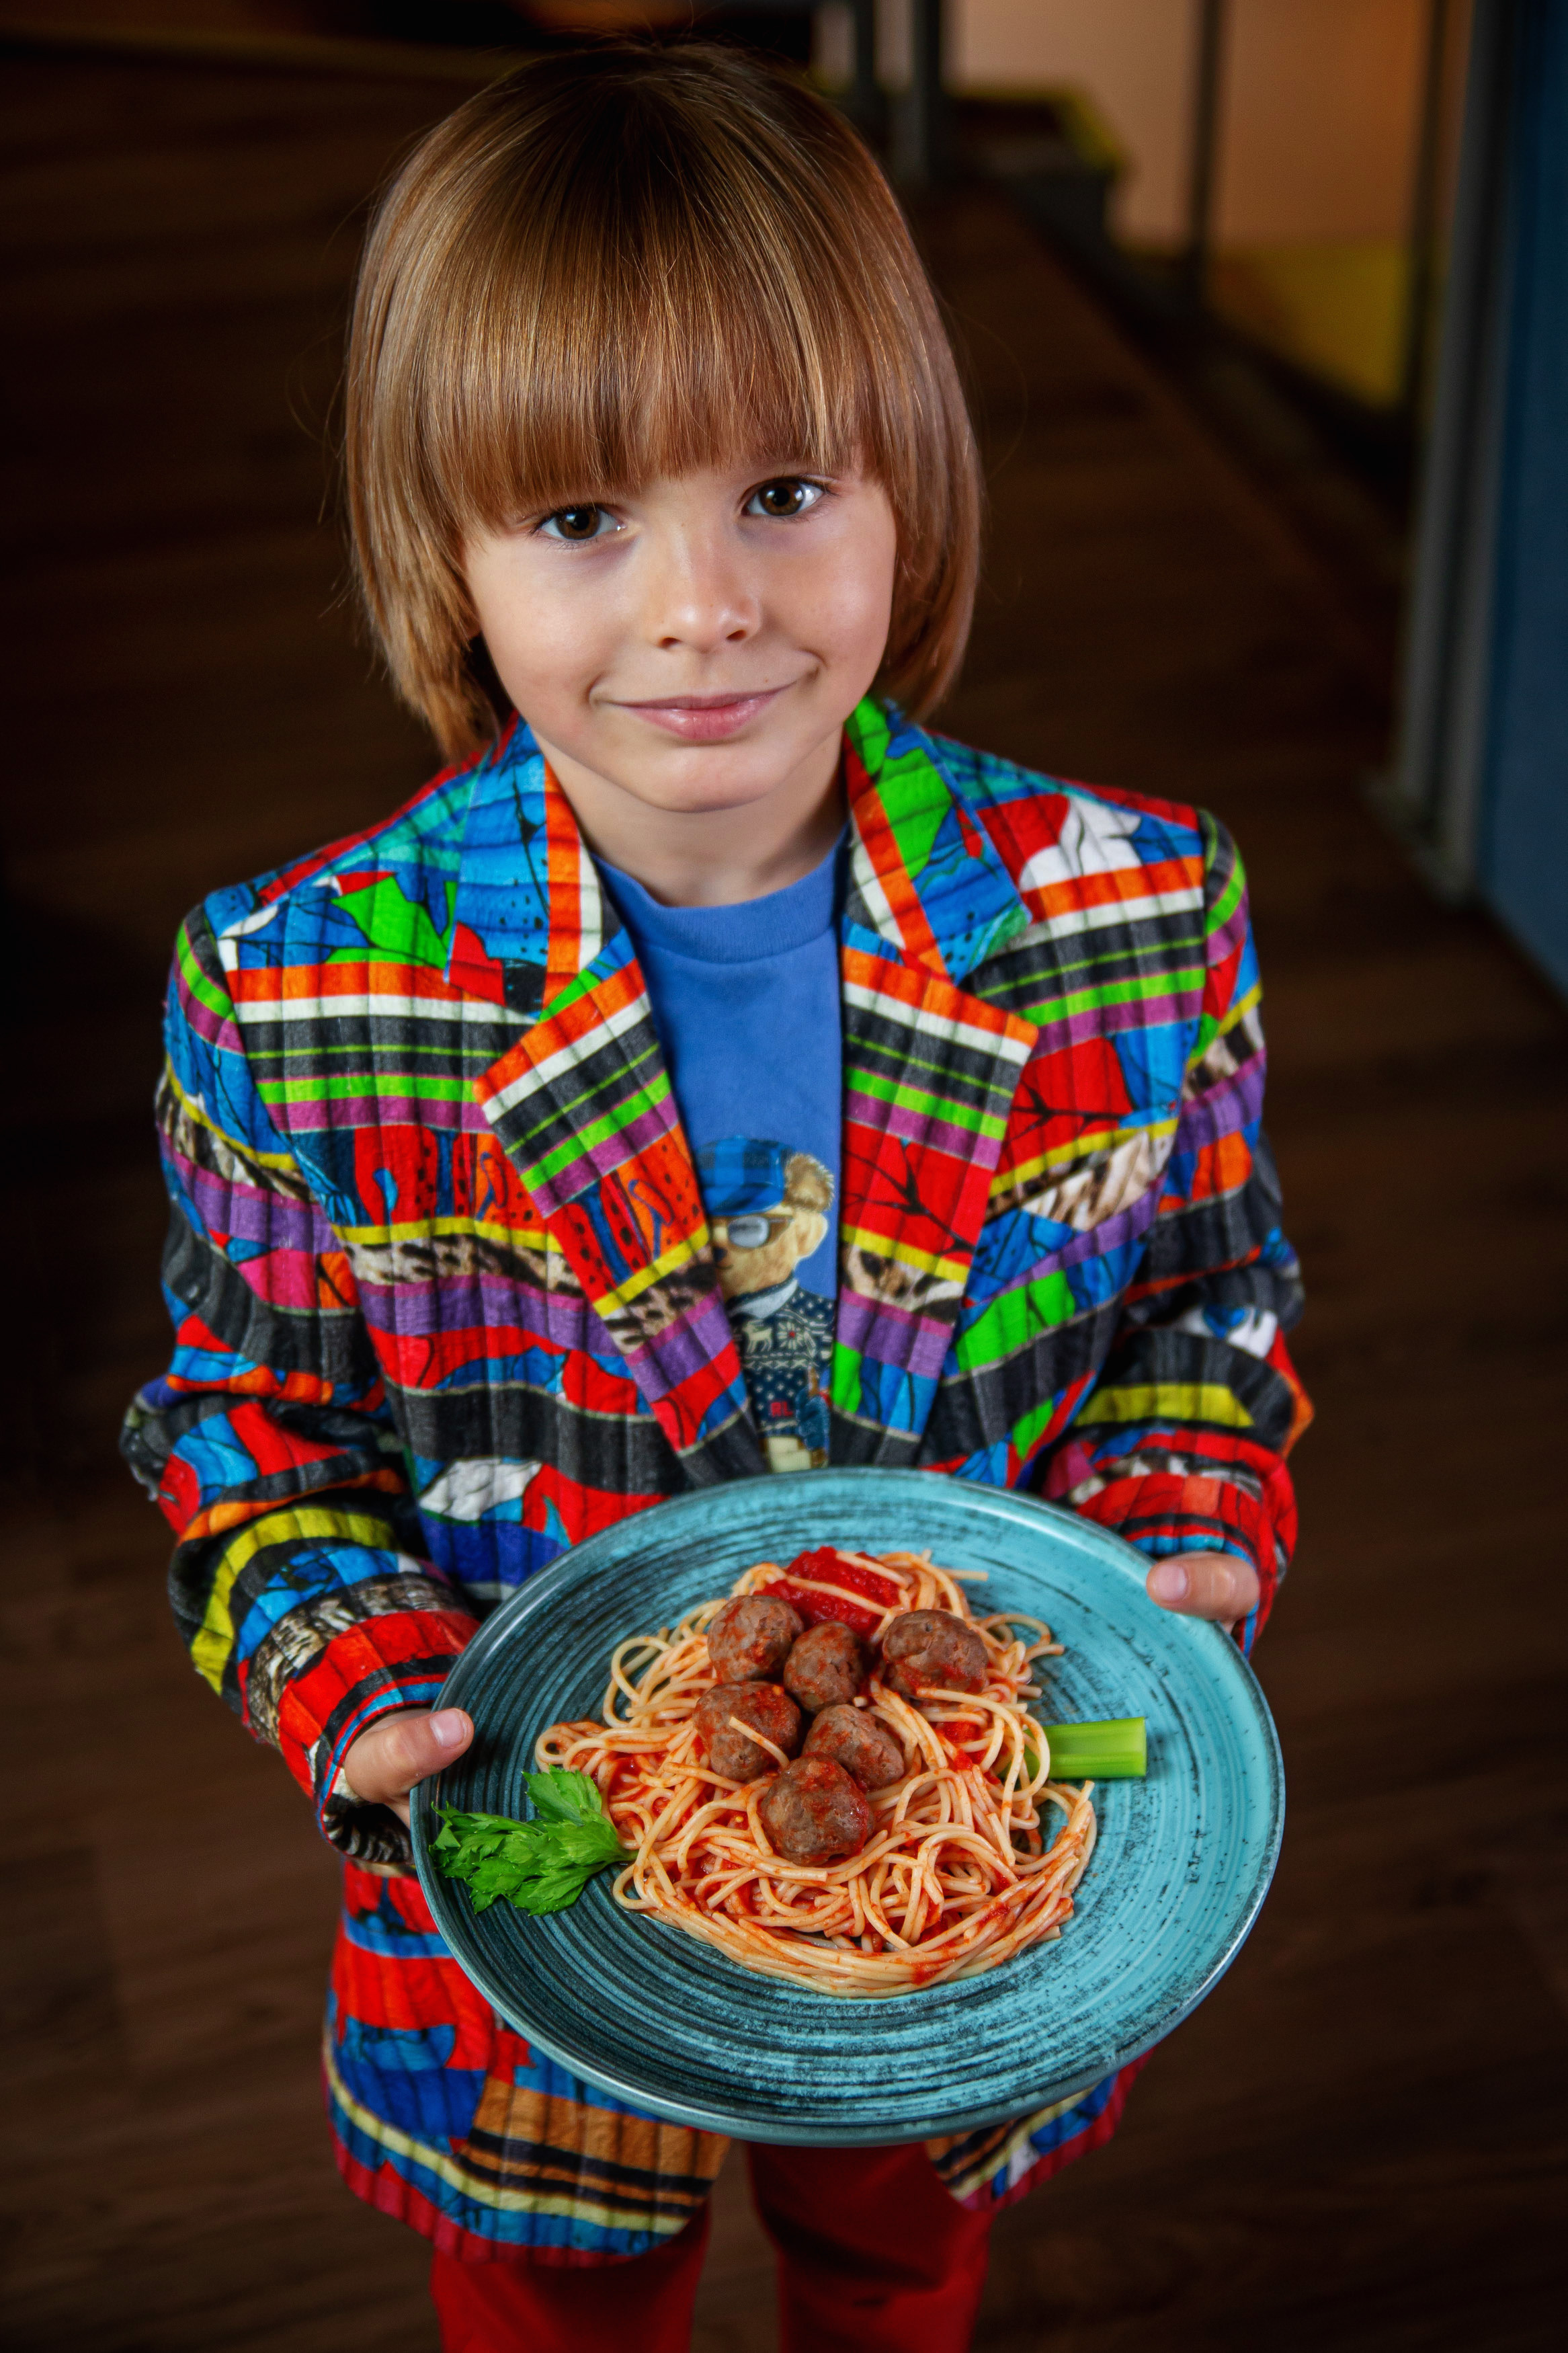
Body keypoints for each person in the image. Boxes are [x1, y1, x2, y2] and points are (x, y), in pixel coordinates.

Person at [122, 42, 1310, 2353]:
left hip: (978, 1871)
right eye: (581, 519)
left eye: (782, 487)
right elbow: (236, 1427)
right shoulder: (291, 989)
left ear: (912, 495)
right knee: (555, 2300)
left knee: (901, 2268)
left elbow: (1211, 1305)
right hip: (535, 1881)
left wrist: (1184, 1538)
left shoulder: (1133, 914)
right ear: (445, 553)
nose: (700, 608)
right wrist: (358, 1699)